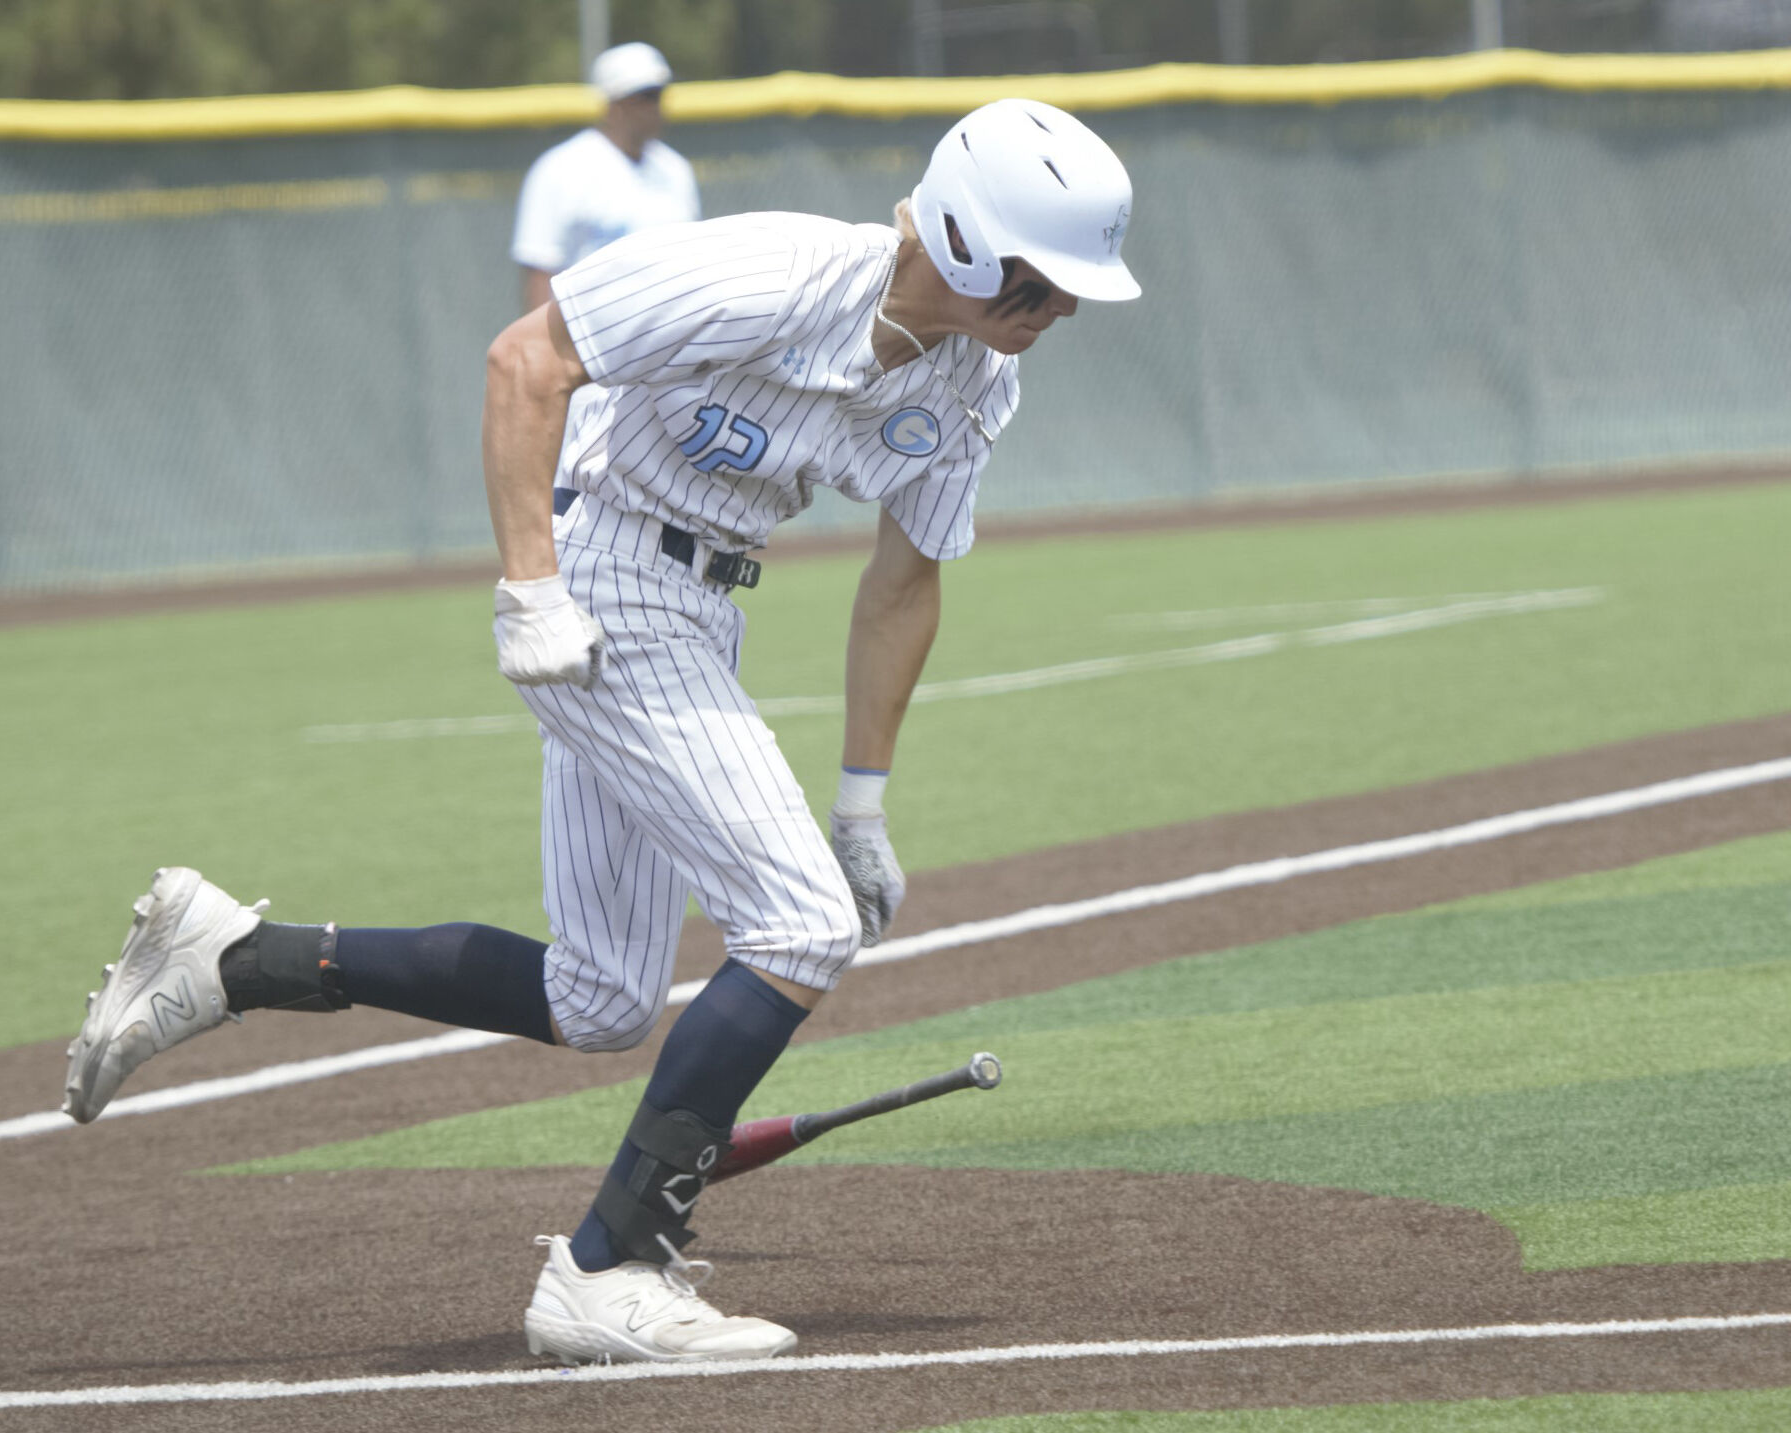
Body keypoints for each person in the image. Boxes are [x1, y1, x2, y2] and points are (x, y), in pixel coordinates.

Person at [62, 97, 1140, 1367]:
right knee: (798, 925)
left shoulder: (979, 384)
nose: (1058, 307)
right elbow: (527, 358)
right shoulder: (776, 268)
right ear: (962, 238)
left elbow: (903, 581)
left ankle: (234, 954)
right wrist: (531, 588)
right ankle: (606, 1266)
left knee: (600, 995)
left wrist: (861, 801)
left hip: (699, 598)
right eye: (1041, 277)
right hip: (603, 573)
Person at [510, 41, 700, 315]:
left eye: (658, 95)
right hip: (588, 343)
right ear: (613, 104)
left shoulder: (676, 170)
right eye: (644, 96)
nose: (655, 106)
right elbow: (540, 271)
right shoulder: (560, 169)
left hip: (666, 339)